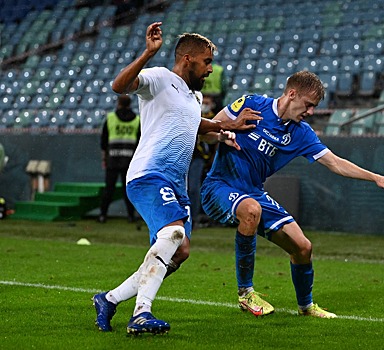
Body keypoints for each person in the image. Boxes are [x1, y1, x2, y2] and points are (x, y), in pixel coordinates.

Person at [92, 22, 260, 335]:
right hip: (149, 174)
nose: (211, 69)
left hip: (176, 186)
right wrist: (147, 53)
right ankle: (142, 313)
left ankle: (109, 299)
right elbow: (119, 85)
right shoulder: (159, 78)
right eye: (207, 62)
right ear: (187, 59)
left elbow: (194, 124)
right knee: (172, 235)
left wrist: (227, 127)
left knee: (179, 251)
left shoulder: (194, 97)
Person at [201, 71, 384, 319]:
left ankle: (306, 307)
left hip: (254, 193)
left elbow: (335, 163)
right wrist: (223, 133)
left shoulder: (301, 133)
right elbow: (207, 131)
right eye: (308, 105)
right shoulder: (251, 104)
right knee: (251, 210)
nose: (310, 112)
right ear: (292, 94)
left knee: (303, 247)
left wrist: (375, 177)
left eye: (314, 107)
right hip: (220, 185)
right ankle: (246, 293)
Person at [98, 94, 140, 224]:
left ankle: (103, 215)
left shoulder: (110, 118)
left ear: (118, 103)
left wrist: (104, 158)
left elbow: (104, 141)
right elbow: (140, 141)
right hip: (129, 160)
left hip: (113, 158)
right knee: (127, 190)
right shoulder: (137, 119)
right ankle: (131, 216)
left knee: (108, 189)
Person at [188, 95, 216, 228]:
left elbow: (215, 140)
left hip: (200, 156)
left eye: (207, 102)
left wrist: (212, 157)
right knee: (186, 188)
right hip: (187, 155)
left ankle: (194, 218)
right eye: (203, 102)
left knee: (194, 188)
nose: (204, 104)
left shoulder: (214, 118)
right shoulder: (193, 114)